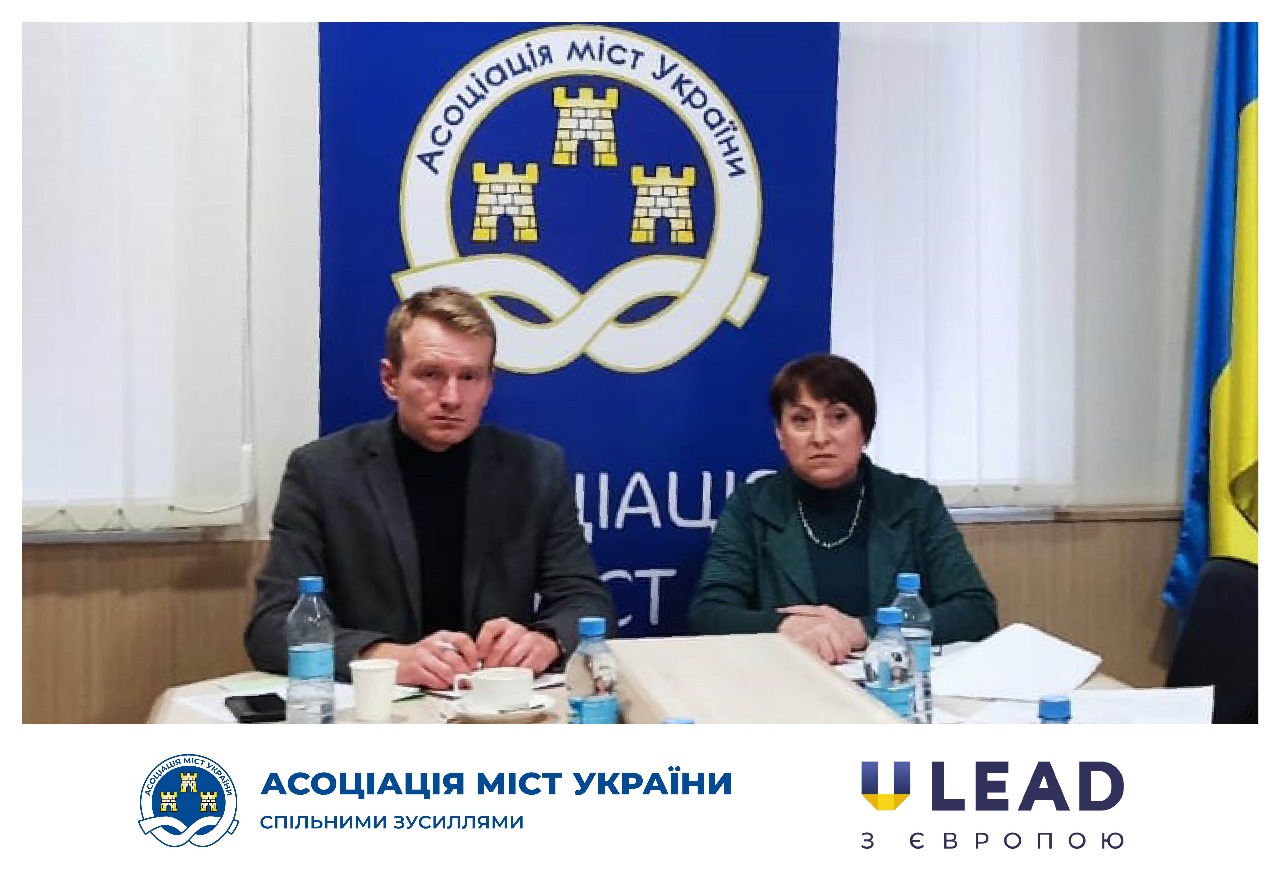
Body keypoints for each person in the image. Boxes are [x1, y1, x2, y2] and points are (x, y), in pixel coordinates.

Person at [245, 286, 614, 689]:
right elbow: (272, 626)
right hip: (381, 706)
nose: (451, 397)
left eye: (469, 377)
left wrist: (545, 641)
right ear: (391, 379)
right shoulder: (321, 472)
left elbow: (586, 601)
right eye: (431, 374)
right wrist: (384, 657)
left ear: (489, 385)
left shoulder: (536, 468)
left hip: (496, 702)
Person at [689, 354, 997, 663]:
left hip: (892, 681)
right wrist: (784, 626)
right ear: (780, 434)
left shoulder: (913, 501)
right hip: (786, 681)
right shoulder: (752, 505)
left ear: (865, 430)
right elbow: (709, 614)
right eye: (801, 420)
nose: (820, 437)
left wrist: (864, 630)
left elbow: (976, 611)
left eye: (838, 417)